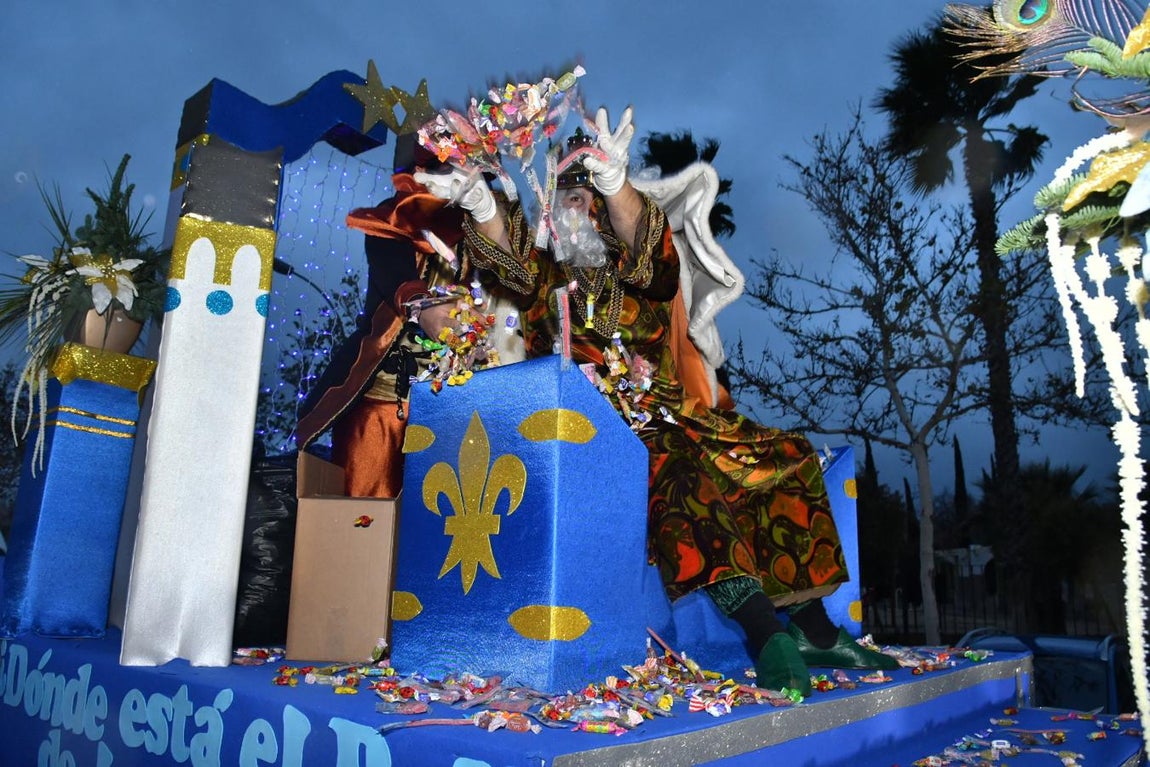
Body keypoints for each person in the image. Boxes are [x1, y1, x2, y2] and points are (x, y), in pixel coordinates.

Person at [414, 107, 897, 694]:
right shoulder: (546, 283)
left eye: (585, 196)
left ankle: (815, 632)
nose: (574, 210)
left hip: (677, 417)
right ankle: (764, 632)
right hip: (595, 434)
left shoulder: (642, 274)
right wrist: (481, 205)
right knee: (682, 475)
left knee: (784, 455)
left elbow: (651, 248)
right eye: (565, 197)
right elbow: (509, 258)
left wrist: (616, 184)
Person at [296, 135, 520, 496]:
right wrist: (423, 307)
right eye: (448, 171)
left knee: (443, 528)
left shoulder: (483, 228)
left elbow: (516, 283)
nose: (458, 182)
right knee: (364, 523)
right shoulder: (392, 222)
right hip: (382, 406)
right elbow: (395, 274)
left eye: (469, 172)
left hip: (457, 412)